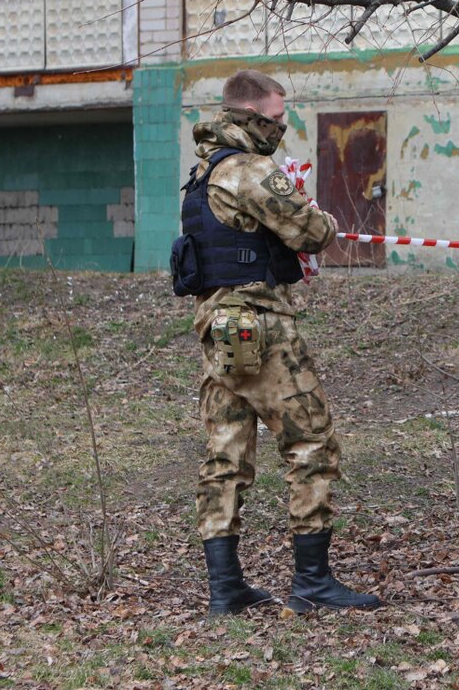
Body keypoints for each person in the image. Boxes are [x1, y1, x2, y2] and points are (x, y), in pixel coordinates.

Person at [173, 69, 380, 615]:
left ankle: (226, 590)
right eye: (276, 119)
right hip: (261, 325)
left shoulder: (201, 174)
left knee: (225, 454)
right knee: (311, 443)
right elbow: (311, 233)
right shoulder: (250, 171)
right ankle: (312, 584)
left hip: (216, 326)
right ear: (249, 117)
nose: (280, 128)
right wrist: (325, 221)